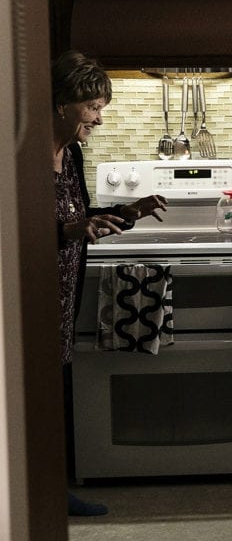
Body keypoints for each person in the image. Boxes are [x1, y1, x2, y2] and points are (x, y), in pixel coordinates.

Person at [53, 50, 168, 515]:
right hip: (28, 289)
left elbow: (76, 221)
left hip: (63, 288)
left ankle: (50, 491)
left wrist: (126, 213)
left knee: (51, 388)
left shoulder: (72, 152)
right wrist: (71, 231)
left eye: (100, 108)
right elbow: (18, 227)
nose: (98, 119)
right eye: (93, 107)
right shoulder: (20, 153)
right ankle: (42, 494)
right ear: (63, 101)